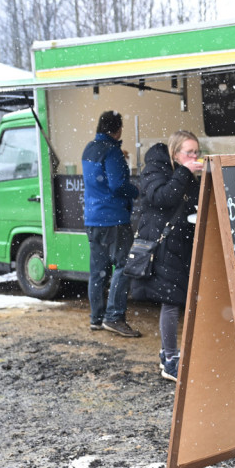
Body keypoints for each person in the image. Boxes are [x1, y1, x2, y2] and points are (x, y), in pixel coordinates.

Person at [129, 131, 204, 381]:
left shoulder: (188, 173)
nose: (194, 157)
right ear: (175, 153)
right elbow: (162, 198)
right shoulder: (155, 169)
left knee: (178, 300)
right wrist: (185, 171)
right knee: (170, 302)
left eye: (196, 152)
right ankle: (170, 360)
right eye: (188, 152)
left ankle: (169, 355)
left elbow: (191, 202)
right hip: (162, 245)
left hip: (181, 243)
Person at [82, 110, 141, 337]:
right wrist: (135, 190)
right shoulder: (112, 152)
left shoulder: (89, 149)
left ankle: (96, 318)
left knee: (98, 271)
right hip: (114, 219)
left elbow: (100, 178)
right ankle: (114, 317)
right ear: (117, 130)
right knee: (124, 266)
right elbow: (117, 186)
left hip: (93, 219)